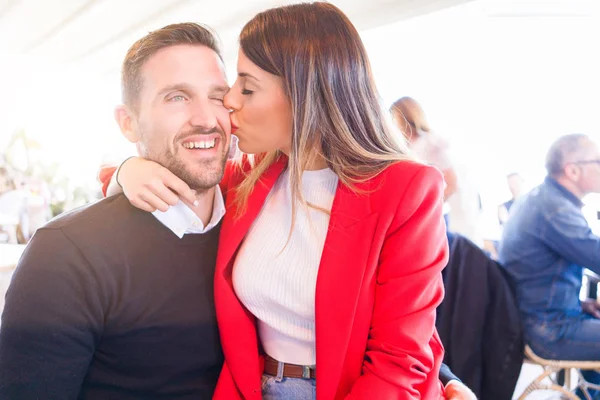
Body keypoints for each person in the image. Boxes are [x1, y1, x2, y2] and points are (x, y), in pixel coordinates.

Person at [109, 3, 454, 399]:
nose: (229, 101)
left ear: (304, 93)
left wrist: (449, 379)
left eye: (247, 87)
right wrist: (128, 169)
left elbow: (401, 358)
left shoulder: (406, 190)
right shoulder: (248, 177)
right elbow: (175, 170)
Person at [0, 23, 230, 399]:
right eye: (176, 97)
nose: (206, 118)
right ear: (128, 123)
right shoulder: (66, 253)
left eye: (218, 96)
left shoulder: (254, 222)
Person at [499, 133, 600, 398]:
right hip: (549, 331)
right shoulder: (556, 210)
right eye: (598, 160)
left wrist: (580, 304)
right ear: (573, 170)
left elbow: (538, 278)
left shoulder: (541, 199)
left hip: (537, 319)